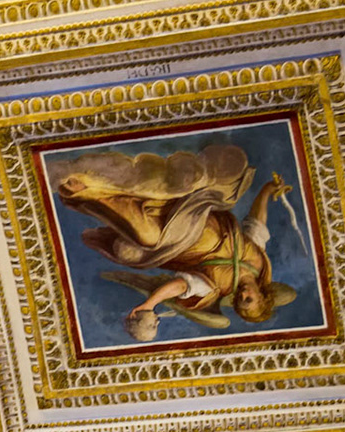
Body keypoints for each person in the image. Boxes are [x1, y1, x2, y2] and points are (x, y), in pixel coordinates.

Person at [50, 143, 298, 336]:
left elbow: (181, 286)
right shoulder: (259, 260)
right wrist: (266, 191)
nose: (242, 296)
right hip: (201, 213)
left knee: (146, 237)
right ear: (263, 295)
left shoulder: (215, 288)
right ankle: (97, 183)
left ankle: (89, 191)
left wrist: (150, 303)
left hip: (179, 241)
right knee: (171, 188)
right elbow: (256, 223)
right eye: (249, 300)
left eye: (240, 303)